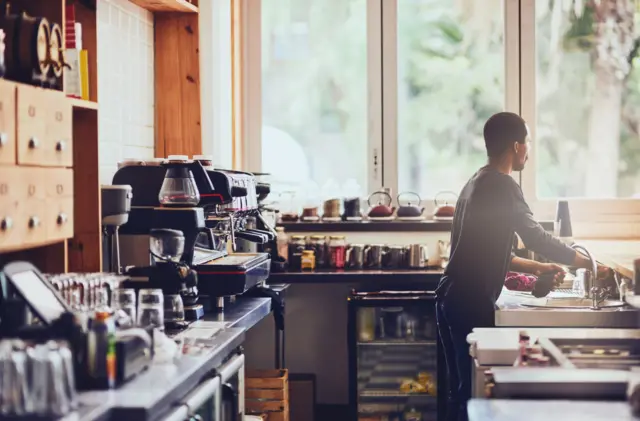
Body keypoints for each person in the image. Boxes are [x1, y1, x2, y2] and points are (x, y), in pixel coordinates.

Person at [435, 112, 609, 421]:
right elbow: (536, 237)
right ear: (516, 146)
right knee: (472, 396)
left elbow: (494, 253)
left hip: (450, 296)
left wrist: (541, 270)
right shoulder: (503, 186)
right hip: (469, 301)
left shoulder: (476, 181)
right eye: (526, 143)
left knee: (461, 391)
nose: (528, 150)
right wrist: (587, 262)